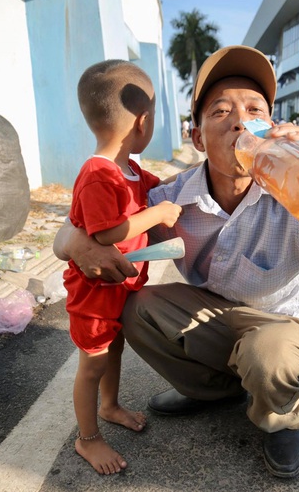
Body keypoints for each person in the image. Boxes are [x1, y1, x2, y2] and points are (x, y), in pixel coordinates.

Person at [54, 45, 299, 479]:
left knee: (270, 355)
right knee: (137, 307)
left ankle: (280, 416)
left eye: (254, 110)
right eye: (221, 111)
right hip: (221, 318)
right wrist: (76, 245)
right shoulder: (172, 198)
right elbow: (83, 225)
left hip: (286, 328)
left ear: (271, 127)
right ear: (197, 137)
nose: (241, 122)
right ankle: (218, 391)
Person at [66, 59, 182, 475]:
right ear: (143, 121)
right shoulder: (98, 174)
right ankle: (87, 438)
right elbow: (104, 234)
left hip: (119, 289)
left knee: (115, 350)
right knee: (91, 364)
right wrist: (158, 215)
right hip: (93, 296)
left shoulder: (130, 170)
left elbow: (163, 189)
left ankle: (110, 405)